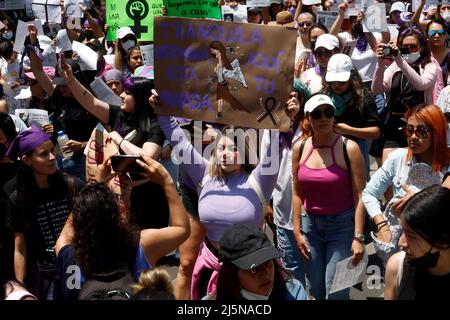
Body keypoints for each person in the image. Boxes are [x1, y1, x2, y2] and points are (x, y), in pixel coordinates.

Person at [149, 88, 300, 300]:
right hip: (210, 272)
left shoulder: (259, 180)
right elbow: (179, 141)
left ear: (245, 151)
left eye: (233, 148)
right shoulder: (204, 175)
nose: (226, 154)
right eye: (221, 149)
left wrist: (287, 115)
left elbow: (275, 144)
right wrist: (161, 109)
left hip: (253, 273)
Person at [54, 154, 190, 300]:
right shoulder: (140, 244)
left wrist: (94, 188)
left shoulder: (68, 254)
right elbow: (182, 229)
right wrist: (166, 181)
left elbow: (65, 235)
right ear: (116, 216)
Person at [58, 55, 169, 230]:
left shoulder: (155, 125)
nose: (122, 95)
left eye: (128, 93)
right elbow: (90, 101)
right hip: (117, 197)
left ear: (140, 98)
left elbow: (147, 157)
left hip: (146, 200)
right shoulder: (118, 115)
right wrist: (70, 80)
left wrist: (118, 138)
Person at [292, 94, 366, 300]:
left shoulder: (349, 147)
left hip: (342, 227)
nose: (323, 118)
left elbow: (361, 195)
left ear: (334, 116)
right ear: (308, 118)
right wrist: (297, 232)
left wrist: (358, 237)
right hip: (311, 228)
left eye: (328, 112)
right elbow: (297, 193)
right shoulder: (299, 147)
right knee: (315, 290)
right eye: (317, 114)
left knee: (336, 291)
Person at [362, 104, 450, 263]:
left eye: (421, 131)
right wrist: (382, 225)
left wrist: (418, 200)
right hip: (400, 249)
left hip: (437, 252)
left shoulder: (448, 164)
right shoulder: (398, 158)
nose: (413, 137)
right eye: (409, 130)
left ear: (437, 133)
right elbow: (369, 193)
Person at [4, 125, 79, 300]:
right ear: (27, 160)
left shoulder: (70, 185)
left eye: (52, 151)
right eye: (43, 154)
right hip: (45, 276)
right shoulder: (18, 199)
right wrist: (20, 288)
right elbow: (20, 247)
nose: (52, 157)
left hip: (75, 268)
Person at [372, 25, 438, 165]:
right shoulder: (395, 65)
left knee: (416, 170)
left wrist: (398, 59)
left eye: (413, 46)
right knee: (387, 169)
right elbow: (377, 89)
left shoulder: (430, 65)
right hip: (394, 123)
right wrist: (380, 63)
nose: (408, 51)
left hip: (419, 126)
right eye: (404, 47)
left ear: (421, 47)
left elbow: (421, 84)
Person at [208, 222, 307, 300]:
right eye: (253, 268)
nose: (265, 273)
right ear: (232, 274)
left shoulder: (294, 293)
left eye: (267, 262)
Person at [384, 185, 450, 300]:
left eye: (411, 236)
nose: (401, 243)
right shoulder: (397, 268)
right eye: (403, 231)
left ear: (442, 242)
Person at [322, 53, 381, 175]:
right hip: (328, 149)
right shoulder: (324, 97)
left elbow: (376, 132)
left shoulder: (364, 97)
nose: (336, 85)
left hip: (357, 150)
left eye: (341, 82)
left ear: (351, 78)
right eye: (333, 82)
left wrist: (349, 130)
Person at [209, 41, 249, 118]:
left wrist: (220, 74)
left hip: (222, 82)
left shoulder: (221, 56)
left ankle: (220, 112)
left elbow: (222, 69)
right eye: (211, 51)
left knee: (221, 97)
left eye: (213, 50)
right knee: (221, 97)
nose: (212, 52)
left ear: (217, 49)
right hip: (221, 82)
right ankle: (220, 112)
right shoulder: (219, 57)